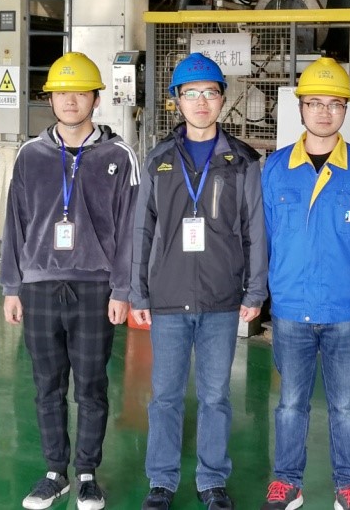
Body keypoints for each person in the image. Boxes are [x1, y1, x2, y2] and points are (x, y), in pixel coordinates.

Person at [0, 52, 140, 510]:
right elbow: (14, 223)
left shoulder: (119, 156)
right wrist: (11, 287)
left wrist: (122, 289)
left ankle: (86, 474)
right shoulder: (30, 155)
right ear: (50, 100)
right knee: (47, 385)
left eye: (80, 92)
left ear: (96, 98)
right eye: (62, 93)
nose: (70, 100)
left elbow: (130, 230)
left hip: (95, 288)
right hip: (39, 286)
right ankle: (54, 472)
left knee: (92, 386)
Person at [130, 52, 268, 510]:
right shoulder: (158, 160)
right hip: (168, 297)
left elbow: (255, 229)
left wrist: (255, 290)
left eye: (210, 92)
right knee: (165, 397)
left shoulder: (242, 161)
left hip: (221, 299)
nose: (201, 102)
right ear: (177, 100)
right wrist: (137, 292)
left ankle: (212, 480)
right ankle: (161, 481)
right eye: (191, 93)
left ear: (222, 98)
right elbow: (141, 229)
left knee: (215, 397)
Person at [259, 58, 350, 510]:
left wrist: (345, 274)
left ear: (345, 109)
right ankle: (287, 482)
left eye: (334, 104)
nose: (324, 112)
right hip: (292, 307)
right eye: (314, 102)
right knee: (290, 404)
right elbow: (267, 236)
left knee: (346, 406)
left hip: (343, 308)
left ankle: (347, 485)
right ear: (301, 107)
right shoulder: (276, 169)